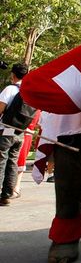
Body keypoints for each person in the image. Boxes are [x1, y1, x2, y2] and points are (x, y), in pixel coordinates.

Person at [0, 63, 29, 206]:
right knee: (12, 163)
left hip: (5, 131)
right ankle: (6, 194)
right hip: (20, 132)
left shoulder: (10, 89)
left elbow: (0, 108)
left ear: (13, 74)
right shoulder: (28, 91)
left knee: (1, 161)